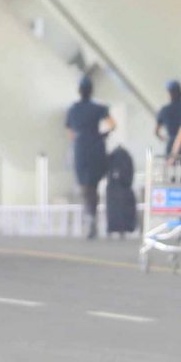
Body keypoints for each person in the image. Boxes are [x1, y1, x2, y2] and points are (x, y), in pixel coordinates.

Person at [65, 77, 114, 240]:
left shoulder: (73, 110)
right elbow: (112, 124)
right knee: (94, 184)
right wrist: (102, 135)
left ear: (79, 91)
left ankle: (90, 217)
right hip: (96, 147)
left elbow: (70, 133)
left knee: (85, 186)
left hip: (81, 149)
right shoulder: (99, 108)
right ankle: (92, 215)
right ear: (91, 91)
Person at [155, 80, 181, 156]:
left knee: (171, 162)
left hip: (172, 144)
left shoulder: (164, 110)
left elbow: (156, 131)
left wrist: (165, 139)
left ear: (170, 94)